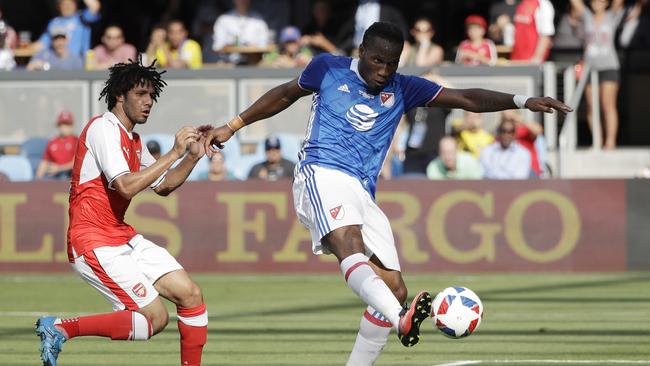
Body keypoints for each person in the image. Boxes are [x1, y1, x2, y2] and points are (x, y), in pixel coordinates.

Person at [203, 22, 570, 365]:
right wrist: (234, 125)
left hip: (363, 190)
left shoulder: (405, 87)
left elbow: (467, 99)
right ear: (361, 51)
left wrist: (523, 101)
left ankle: (387, 327)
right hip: (322, 171)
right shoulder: (327, 68)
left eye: (391, 64)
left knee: (393, 289)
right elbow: (284, 94)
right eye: (377, 60)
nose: (383, 70)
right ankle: (401, 320)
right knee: (348, 241)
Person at [35, 58, 208, 366]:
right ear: (120, 95)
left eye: (152, 95)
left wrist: (192, 157)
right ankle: (60, 327)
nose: (148, 102)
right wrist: (173, 152)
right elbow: (126, 186)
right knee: (155, 319)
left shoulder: (135, 141)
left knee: (190, 294)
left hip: (120, 235)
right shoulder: (103, 128)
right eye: (141, 94)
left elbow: (164, 186)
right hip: (92, 241)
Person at [570, 0, 625, 149]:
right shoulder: (587, 16)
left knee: (608, 105)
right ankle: (597, 141)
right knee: (591, 107)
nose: (597, 2)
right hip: (589, 67)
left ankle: (610, 142)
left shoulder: (611, 15)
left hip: (609, 65)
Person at [33, 0, 101, 57]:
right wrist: (25, 48)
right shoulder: (53, 23)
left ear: (75, 5)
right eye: (64, 4)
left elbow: (94, 6)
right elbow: (41, 44)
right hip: (58, 63)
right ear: (59, 6)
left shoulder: (82, 18)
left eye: (70, 3)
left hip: (80, 63)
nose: (67, 6)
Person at [212, 0, 270, 64]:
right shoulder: (223, 19)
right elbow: (217, 47)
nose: (242, 1)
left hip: (253, 63)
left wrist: (251, 47)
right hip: (229, 63)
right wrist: (232, 45)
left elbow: (265, 46)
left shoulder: (258, 19)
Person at [36, 111, 78, 180]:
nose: (64, 127)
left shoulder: (76, 141)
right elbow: (44, 162)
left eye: (67, 124)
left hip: (69, 176)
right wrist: (38, 179)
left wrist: (59, 168)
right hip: (53, 176)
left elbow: (76, 163)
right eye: (62, 124)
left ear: (71, 126)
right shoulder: (52, 142)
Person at [501, 109, 543, 177]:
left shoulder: (524, 130)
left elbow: (538, 130)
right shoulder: (502, 133)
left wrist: (517, 118)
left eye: (510, 120)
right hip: (509, 172)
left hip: (529, 170)